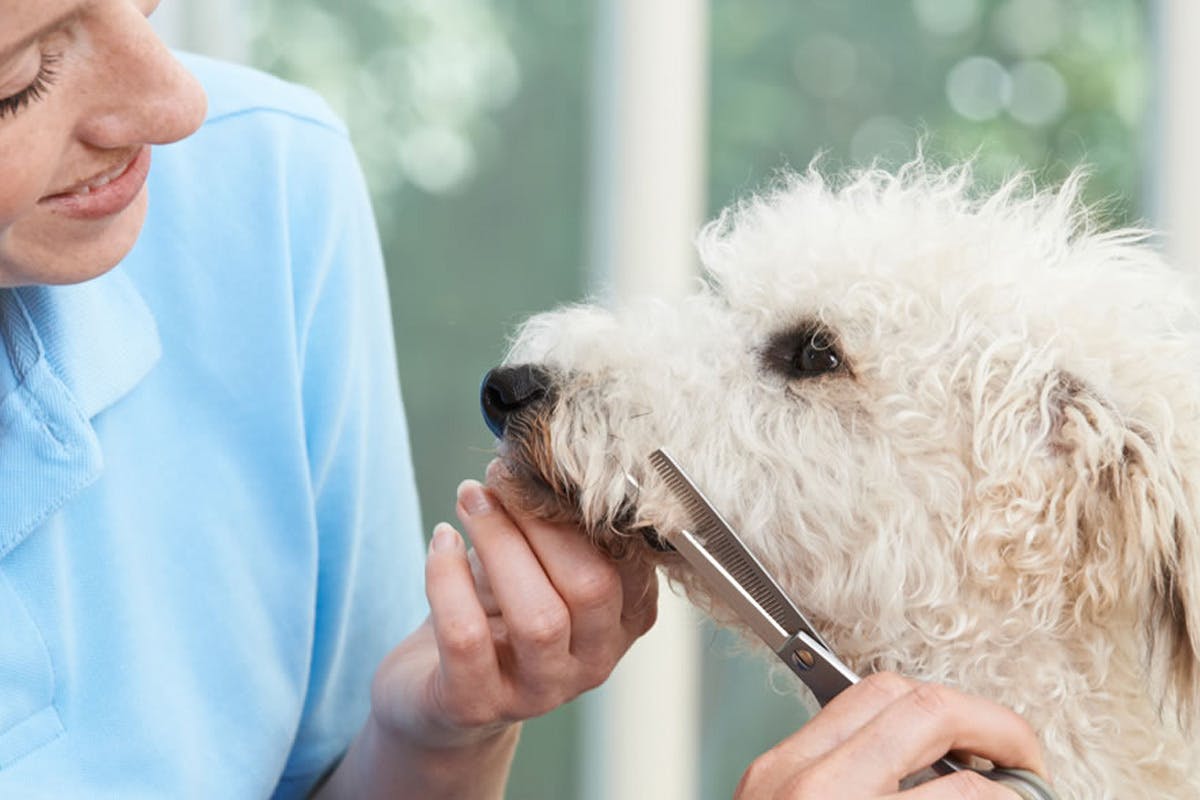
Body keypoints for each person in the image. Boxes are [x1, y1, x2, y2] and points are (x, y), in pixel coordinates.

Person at [0, 1, 1047, 797]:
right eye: (21, 78)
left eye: (141, 0)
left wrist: (431, 737)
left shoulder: (261, 182)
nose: (177, 104)